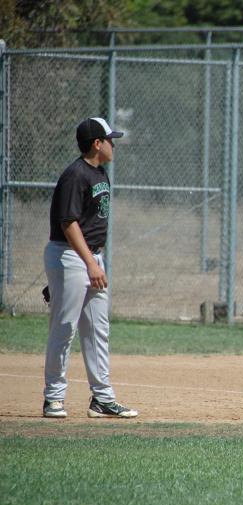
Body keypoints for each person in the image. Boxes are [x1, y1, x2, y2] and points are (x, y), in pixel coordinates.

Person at [42, 117, 138, 419]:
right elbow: (68, 223)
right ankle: (53, 398)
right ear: (97, 144)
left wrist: (94, 263)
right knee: (64, 328)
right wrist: (85, 265)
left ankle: (102, 399)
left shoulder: (99, 173)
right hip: (71, 256)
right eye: (110, 140)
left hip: (89, 259)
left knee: (98, 330)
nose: (113, 145)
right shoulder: (75, 175)